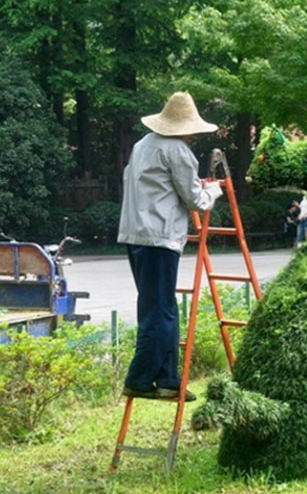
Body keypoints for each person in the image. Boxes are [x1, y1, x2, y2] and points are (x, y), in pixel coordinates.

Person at [117, 92, 224, 401]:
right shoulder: (177, 151)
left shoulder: (142, 146)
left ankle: (168, 380)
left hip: (136, 235)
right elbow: (195, 200)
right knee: (160, 312)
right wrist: (213, 190)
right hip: (159, 238)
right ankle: (139, 379)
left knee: (159, 308)